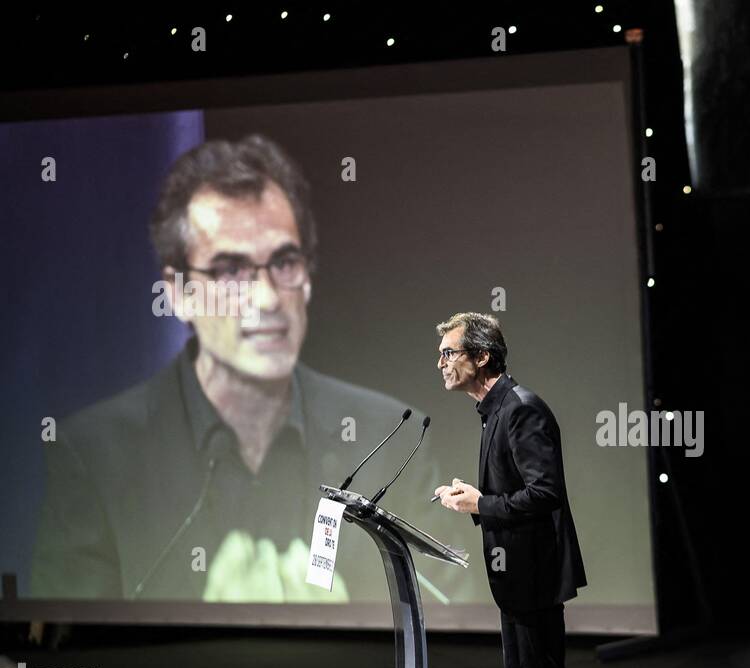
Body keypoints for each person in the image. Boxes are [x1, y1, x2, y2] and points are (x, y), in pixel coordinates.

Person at [31, 134, 456, 606]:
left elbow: (455, 631)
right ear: (178, 293)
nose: (268, 299)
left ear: (308, 278)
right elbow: (70, 665)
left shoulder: (392, 439)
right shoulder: (95, 456)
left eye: (284, 262)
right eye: (231, 270)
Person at [432, 311, 586, 668]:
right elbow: (512, 493)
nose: (442, 363)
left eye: (451, 353)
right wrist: (473, 501)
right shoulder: (492, 411)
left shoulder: (521, 410)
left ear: (483, 357)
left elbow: (546, 494)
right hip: (516, 576)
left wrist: (483, 503)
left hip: (535, 574)